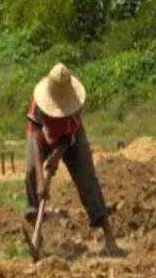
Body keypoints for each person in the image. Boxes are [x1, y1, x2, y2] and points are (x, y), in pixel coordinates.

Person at [24, 63, 125, 256]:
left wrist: (56, 157)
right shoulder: (38, 101)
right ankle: (36, 231)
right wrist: (40, 178)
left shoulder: (74, 105)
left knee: (87, 180)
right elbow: (35, 134)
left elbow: (68, 139)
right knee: (30, 172)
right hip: (42, 137)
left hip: (70, 139)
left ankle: (110, 238)